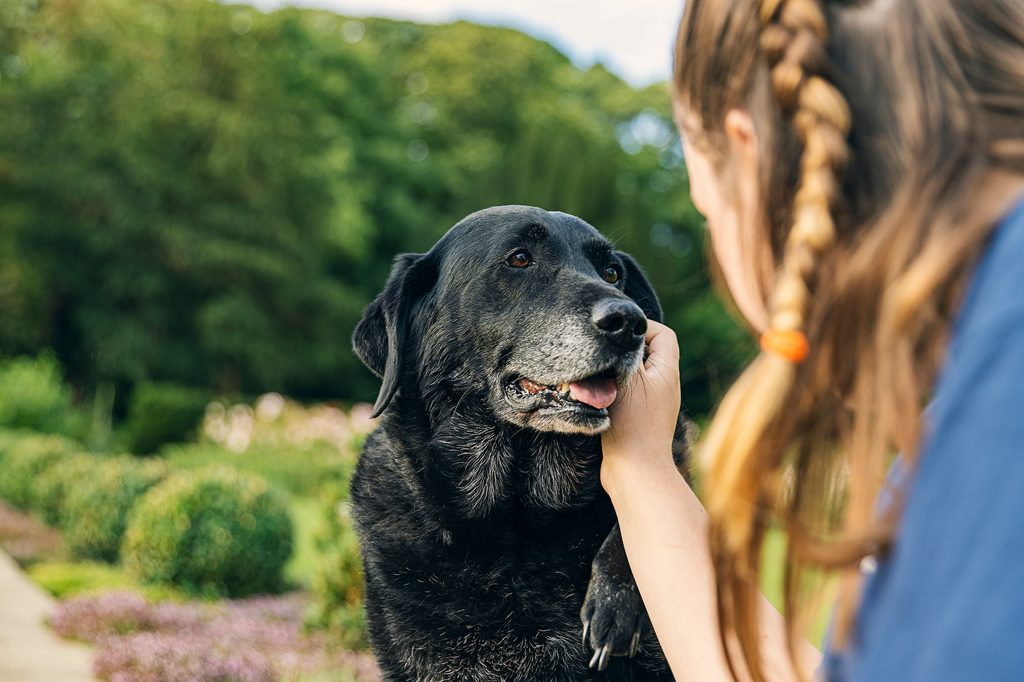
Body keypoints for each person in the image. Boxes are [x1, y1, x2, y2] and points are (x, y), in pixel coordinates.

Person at [600, 0, 1024, 680]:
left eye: (707, 210)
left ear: (747, 151)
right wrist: (641, 469)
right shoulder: (973, 395)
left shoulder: (996, 423)